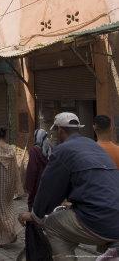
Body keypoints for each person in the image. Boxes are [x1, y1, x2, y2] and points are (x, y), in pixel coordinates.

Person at [18, 112, 119, 261]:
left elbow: (48, 189)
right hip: (113, 214)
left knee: (52, 224)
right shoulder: (93, 145)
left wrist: (35, 215)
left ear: (60, 130)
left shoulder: (62, 150)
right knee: (68, 223)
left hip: (98, 219)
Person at [25, 129, 51, 211]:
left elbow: (32, 170)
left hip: (38, 185)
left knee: (35, 207)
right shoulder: (51, 149)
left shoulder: (34, 150)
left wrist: (28, 187)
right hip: (49, 185)